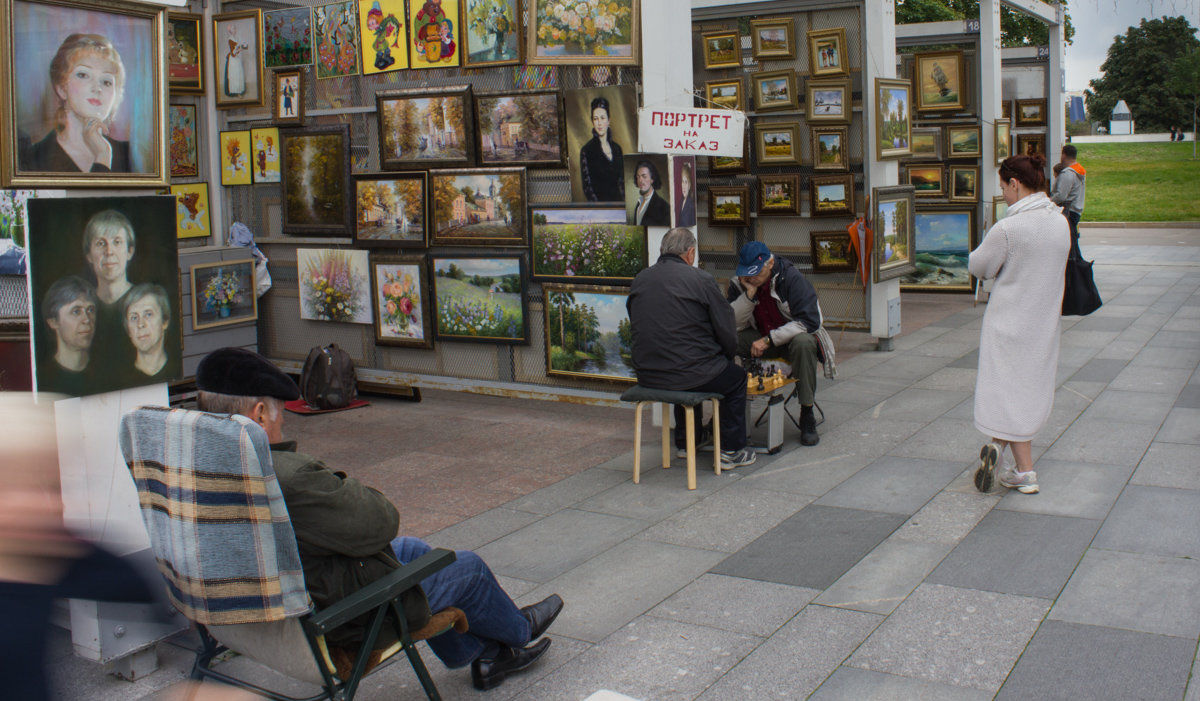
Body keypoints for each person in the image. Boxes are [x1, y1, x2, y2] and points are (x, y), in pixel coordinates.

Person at [194, 348, 563, 691]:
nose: (283, 425)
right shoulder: (287, 477)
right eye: (279, 413)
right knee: (465, 568)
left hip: (262, 611)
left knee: (414, 550)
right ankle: (517, 632)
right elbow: (382, 520)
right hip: (334, 617)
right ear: (259, 414)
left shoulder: (195, 466)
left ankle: (486, 654)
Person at [970, 153, 1069, 496]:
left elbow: (978, 265)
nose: (1003, 195)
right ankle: (1005, 451)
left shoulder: (1009, 228)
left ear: (1015, 184)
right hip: (1043, 323)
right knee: (1023, 391)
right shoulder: (1060, 222)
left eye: (1003, 188)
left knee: (1005, 391)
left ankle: (1026, 471)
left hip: (1007, 322)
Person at [626, 228, 756, 469]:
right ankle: (732, 451)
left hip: (647, 373)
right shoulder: (700, 279)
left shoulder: (641, 278)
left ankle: (687, 443)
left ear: (662, 251)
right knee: (734, 378)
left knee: (685, 364)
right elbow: (726, 328)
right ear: (691, 253)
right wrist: (727, 356)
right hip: (689, 372)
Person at [726, 242, 823, 447]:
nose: (752, 279)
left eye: (757, 274)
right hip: (759, 335)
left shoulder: (792, 279)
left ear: (770, 263)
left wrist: (770, 339)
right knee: (725, 339)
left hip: (789, 339)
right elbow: (731, 324)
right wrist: (749, 294)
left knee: (805, 342)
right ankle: (724, 408)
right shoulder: (740, 283)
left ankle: (807, 412)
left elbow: (811, 322)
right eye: (748, 273)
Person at [22, 34, 130, 173]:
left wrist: (104, 152)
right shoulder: (33, 157)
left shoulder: (129, 156)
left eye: (106, 81)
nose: (97, 88)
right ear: (61, 88)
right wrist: (102, 157)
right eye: (83, 75)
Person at [81, 209, 136, 368]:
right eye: (100, 243)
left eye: (117, 242)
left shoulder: (147, 303)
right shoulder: (82, 310)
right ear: (89, 255)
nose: (109, 251)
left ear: (129, 251)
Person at [38, 276, 97, 395]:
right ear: (54, 322)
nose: (86, 319)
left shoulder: (107, 372)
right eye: (76, 311)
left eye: (90, 310)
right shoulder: (44, 381)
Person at [579, 96, 624, 202]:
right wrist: (601, 209)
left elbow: (622, 183)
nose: (599, 123)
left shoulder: (617, 149)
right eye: (596, 119)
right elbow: (587, 188)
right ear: (592, 122)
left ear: (608, 120)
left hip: (620, 208)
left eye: (602, 118)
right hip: (601, 211)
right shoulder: (587, 151)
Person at [122, 283, 171, 380]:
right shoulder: (120, 379)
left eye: (148, 314)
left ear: (164, 322)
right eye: (134, 317)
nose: (140, 324)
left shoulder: (178, 370)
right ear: (128, 330)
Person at [1050, 144, 1086, 249]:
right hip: (1076, 210)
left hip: (1068, 211)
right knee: (1073, 244)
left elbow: (1061, 196)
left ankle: (1076, 264)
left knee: (1069, 245)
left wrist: (1048, 201)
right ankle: (1077, 263)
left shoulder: (1067, 173)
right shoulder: (1080, 170)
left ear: (1064, 155)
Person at [631, 160, 670, 227]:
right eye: (638, 177)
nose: (640, 180)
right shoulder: (639, 202)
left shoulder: (663, 207)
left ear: (652, 179)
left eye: (644, 176)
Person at [224, 25, 247, 98]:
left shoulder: (236, 38)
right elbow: (233, 53)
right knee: (235, 75)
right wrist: (240, 49)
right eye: (233, 29)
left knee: (239, 74)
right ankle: (236, 92)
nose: (235, 30)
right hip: (233, 60)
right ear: (231, 31)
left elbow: (240, 46)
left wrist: (244, 46)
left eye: (235, 28)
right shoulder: (230, 39)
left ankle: (239, 91)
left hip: (237, 59)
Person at [676, 161, 696, 227]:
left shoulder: (691, 205)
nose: (683, 186)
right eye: (682, 182)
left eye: (686, 182)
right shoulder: (682, 200)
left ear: (689, 185)